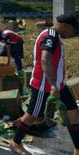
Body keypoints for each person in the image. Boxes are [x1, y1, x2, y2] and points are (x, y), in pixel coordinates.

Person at [9, 13, 79, 155]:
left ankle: (78, 148)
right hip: (44, 85)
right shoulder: (51, 37)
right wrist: (53, 85)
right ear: (66, 26)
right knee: (33, 114)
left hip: (59, 84)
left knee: (73, 114)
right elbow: (45, 59)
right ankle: (15, 142)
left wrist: (57, 84)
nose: (73, 34)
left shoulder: (54, 36)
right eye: (73, 31)